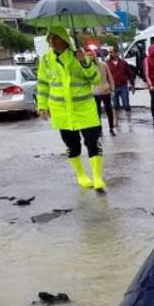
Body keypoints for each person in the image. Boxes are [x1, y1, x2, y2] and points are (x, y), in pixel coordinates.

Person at [36, 27, 107, 192]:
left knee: (93, 142)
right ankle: (81, 175)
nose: (52, 41)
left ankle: (97, 177)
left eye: (55, 38)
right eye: (50, 38)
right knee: (72, 145)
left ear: (65, 39)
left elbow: (95, 78)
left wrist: (84, 62)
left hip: (85, 108)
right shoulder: (46, 59)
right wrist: (42, 105)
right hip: (61, 110)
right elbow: (43, 84)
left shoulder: (79, 55)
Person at [91, 49, 116, 136]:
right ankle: (99, 130)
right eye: (88, 55)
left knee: (109, 110)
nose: (90, 57)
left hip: (106, 91)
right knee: (97, 112)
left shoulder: (103, 65)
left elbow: (110, 77)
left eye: (91, 55)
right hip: (95, 93)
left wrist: (112, 89)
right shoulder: (87, 67)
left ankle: (111, 128)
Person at [106, 47, 133, 112]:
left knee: (126, 105)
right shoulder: (107, 64)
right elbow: (105, 76)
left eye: (111, 52)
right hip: (113, 88)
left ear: (116, 53)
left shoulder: (123, 63)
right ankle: (118, 120)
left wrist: (132, 84)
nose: (110, 54)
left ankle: (129, 119)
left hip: (123, 86)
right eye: (109, 52)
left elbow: (129, 74)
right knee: (115, 106)